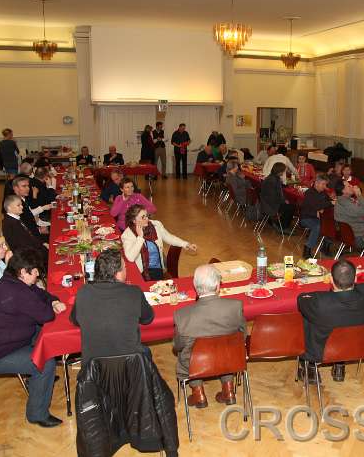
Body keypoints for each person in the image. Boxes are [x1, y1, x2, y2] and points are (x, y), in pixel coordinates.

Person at [0, 249, 66, 427]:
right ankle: (37, 414)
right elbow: (46, 315)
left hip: (4, 340)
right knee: (45, 363)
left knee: (45, 336)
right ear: (23, 272)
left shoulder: (12, 281)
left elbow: (39, 294)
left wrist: (52, 300)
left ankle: (37, 381)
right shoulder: (16, 292)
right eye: (35, 271)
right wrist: (50, 306)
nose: (38, 275)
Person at [173, 265, 245, 408]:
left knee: (188, 354)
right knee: (226, 348)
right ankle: (228, 390)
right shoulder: (235, 307)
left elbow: (178, 346)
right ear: (218, 286)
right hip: (228, 361)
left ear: (195, 287)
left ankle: (198, 394)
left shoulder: (182, 315)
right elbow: (242, 336)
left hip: (195, 366)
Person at [70, 249, 155, 364]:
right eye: (125, 267)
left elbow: (75, 321)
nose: (126, 269)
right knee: (145, 352)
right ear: (118, 273)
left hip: (94, 368)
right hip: (129, 366)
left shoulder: (83, 292)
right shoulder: (134, 292)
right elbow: (148, 318)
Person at [297, 259, 364, 383]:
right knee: (343, 321)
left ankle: (310, 368)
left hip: (322, 352)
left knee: (306, 317)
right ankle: (340, 365)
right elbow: (360, 287)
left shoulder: (320, 303)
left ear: (331, 280)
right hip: (357, 347)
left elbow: (301, 299)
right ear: (355, 279)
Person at [121, 204, 197, 281]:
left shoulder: (155, 225)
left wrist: (186, 244)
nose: (147, 219)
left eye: (147, 215)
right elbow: (130, 257)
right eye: (143, 217)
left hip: (156, 268)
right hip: (142, 271)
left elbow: (169, 237)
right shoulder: (127, 234)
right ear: (134, 220)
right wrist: (140, 237)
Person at [2, 195, 49, 268]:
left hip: (30, 248)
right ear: (9, 208)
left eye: (21, 204)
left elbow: (29, 236)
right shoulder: (11, 223)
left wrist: (42, 243)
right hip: (26, 255)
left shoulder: (15, 219)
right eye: (18, 205)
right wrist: (42, 247)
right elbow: (24, 243)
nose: (22, 207)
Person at [300, 174, 333, 258]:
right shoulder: (309, 193)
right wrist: (321, 207)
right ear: (316, 183)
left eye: (325, 184)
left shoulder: (323, 193)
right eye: (323, 184)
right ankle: (307, 249)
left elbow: (328, 203)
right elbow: (318, 205)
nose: (325, 186)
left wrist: (323, 207)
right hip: (306, 218)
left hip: (318, 218)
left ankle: (326, 245)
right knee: (317, 226)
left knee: (330, 223)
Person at [334, 181, 364, 250]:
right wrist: (359, 195)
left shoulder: (340, 199)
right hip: (358, 238)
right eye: (349, 186)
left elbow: (356, 211)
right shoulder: (346, 202)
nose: (352, 187)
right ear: (343, 191)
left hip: (346, 236)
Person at [259, 162, 294, 230]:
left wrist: (285, 186)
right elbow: (274, 197)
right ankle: (283, 226)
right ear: (280, 171)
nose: (284, 172)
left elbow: (275, 190)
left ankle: (277, 222)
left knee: (288, 204)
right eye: (283, 171)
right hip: (270, 205)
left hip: (266, 202)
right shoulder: (274, 180)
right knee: (291, 207)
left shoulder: (271, 177)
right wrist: (283, 201)